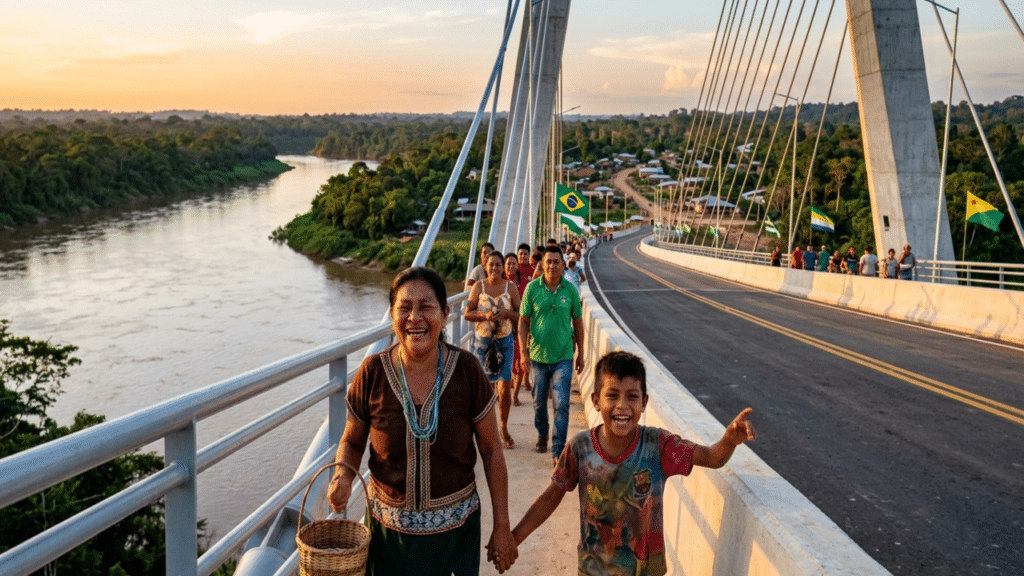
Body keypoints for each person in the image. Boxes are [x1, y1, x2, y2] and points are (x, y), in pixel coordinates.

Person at [327, 267, 517, 575]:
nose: (414, 318)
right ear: (392, 316)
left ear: (443, 314)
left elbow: (492, 449)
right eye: (404, 308)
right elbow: (351, 440)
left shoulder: (467, 370)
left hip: (455, 538)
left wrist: (503, 527)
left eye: (426, 307)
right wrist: (343, 477)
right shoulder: (372, 372)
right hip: (387, 541)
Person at [507, 351, 756, 576]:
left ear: (644, 402)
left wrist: (729, 440)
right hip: (594, 570)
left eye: (632, 397)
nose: (622, 406)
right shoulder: (579, 448)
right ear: (596, 401)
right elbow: (552, 496)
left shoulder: (658, 445)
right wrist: (512, 539)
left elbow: (712, 458)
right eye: (612, 396)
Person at [518, 246, 585, 464]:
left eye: (557, 261)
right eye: (549, 261)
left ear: (563, 264)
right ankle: (542, 432)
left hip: (563, 357)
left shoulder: (570, 290)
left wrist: (581, 353)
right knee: (538, 403)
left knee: (561, 403)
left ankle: (558, 450)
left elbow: (578, 323)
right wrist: (523, 351)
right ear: (542, 264)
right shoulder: (532, 289)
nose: (552, 266)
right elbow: (523, 321)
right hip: (537, 357)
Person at [466, 252, 520, 450]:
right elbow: (467, 314)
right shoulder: (478, 287)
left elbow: (521, 314)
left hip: (504, 342)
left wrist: (506, 313)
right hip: (482, 344)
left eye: (498, 265)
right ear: (485, 266)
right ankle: (485, 430)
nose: (495, 268)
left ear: (503, 267)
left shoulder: (511, 287)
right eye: (491, 265)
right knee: (485, 389)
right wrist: (485, 315)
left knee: (504, 388)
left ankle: (503, 427)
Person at [504, 252, 530, 406]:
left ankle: (515, 395)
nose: (511, 266)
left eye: (514, 263)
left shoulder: (524, 283)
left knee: (519, 363)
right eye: (508, 263)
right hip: (501, 328)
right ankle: (504, 394)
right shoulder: (498, 282)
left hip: (519, 326)